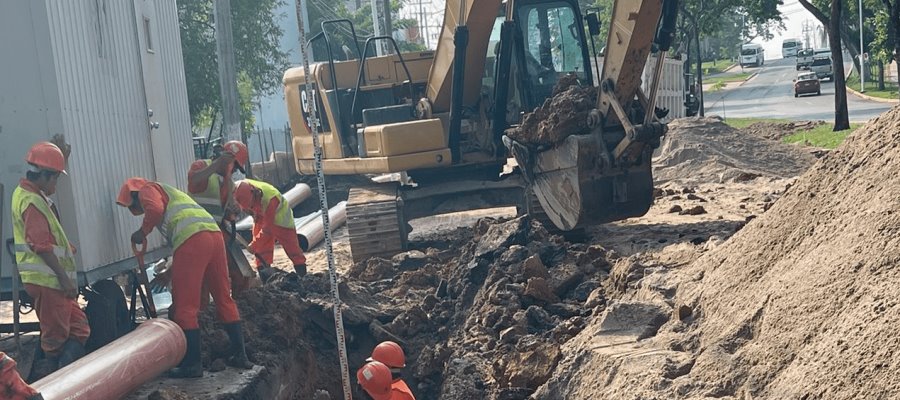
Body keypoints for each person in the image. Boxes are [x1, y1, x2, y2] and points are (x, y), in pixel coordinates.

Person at [116, 177, 253, 378]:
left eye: (135, 206)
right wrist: (170, 273)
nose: (140, 209)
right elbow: (191, 256)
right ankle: (240, 354)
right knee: (224, 298)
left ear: (134, 194)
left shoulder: (147, 189)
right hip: (214, 237)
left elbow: (154, 210)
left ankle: (192, 365)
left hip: (193, 239)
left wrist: (141, 233)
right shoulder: (172, 194)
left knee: (184, 308)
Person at [11, 140, 89, 374]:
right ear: (44, 176)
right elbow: (41, 246)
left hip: (51, 282)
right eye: (55, 178)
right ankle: (53, 382)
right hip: (47, 282)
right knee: (55, 339)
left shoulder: (32, 194)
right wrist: (65, 279)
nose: (57, 183)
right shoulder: (31, 201)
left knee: (79, 329)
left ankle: (63, 376)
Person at [187, 140, 254, 293]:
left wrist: (233, 210)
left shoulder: (227, 183)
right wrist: (217, 165)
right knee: (202, 285)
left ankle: (241, 307)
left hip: (215, 231)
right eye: (234, 166)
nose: (234, 170)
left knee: (242, 275)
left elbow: (224, 211)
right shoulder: (201, 166)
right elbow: (194, 180)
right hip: (195, 232)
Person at [232, 179, 306, 278]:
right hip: (260, 215)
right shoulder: (239, 188)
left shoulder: (270, 198)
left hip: (281, 219)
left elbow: (267, 228)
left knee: (292, 248)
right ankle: (265, 274)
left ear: (254, 193)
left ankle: (302, 274)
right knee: (261, 250)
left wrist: (254, 244)